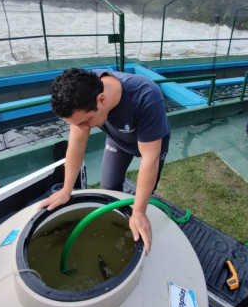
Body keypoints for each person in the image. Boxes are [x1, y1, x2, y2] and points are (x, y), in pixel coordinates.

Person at [38, 68, 170, 255]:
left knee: (144, 197)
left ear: (102, 100)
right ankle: (117, 225)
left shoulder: (146, 95)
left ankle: (137, 219)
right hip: (118, 139)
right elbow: (76, 144)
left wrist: (139, 211)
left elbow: (150, 158)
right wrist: (66, 190)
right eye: (76, 124)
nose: (82, 128)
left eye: (85, 121)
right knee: (108, 186)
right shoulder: (82, 90)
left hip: (152, 143)